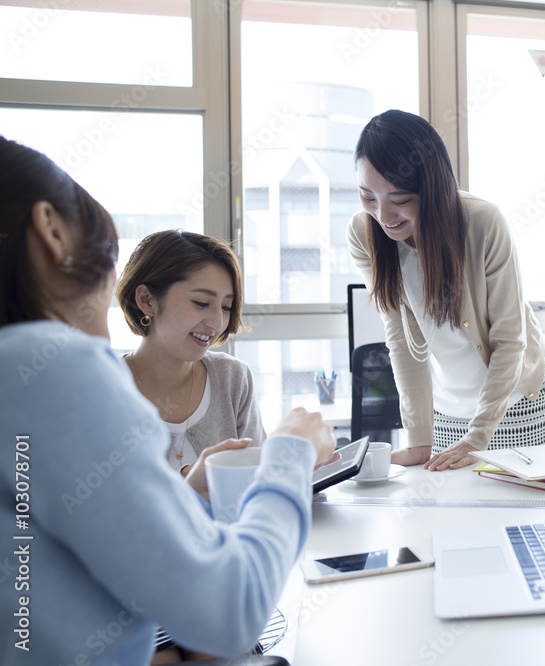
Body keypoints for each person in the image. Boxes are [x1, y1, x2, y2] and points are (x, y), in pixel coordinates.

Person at [0, 135, 337, 665]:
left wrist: (187, 498)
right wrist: (290, 455)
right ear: (50, 230)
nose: (215, 320)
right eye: (104, 253)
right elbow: (230, 612)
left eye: (224, 307)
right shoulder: (52, 366)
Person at [347, 109, 545, 472]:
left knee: (518, 510)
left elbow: (510, 340)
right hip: (445, 409)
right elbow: (400, 338)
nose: (383, 215)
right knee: (449, 512)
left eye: (399, 200)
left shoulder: (482, 223)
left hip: (515, 401)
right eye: (368, 197)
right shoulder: (363, 235)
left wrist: (478, 435)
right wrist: (418, 438)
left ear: (431, 189)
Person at [115, 230, 266, 476]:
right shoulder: (102, 387)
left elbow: (257, 483)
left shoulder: (233, 378)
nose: (217, 322)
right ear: (146, 300)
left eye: (226, 307)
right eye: (201, 303)